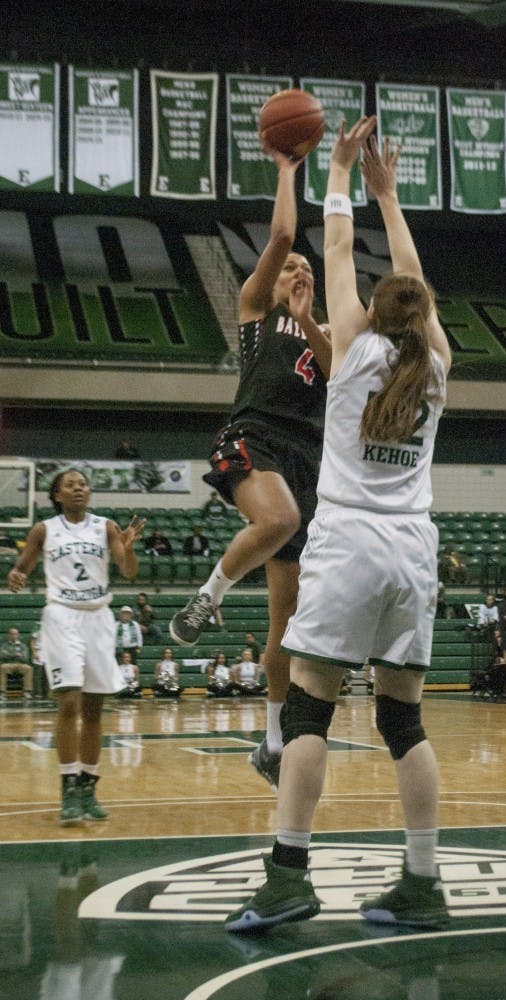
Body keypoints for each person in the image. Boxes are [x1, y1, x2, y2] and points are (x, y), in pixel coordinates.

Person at [225, 117, 452, 934]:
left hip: (349, 541)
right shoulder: (438, 367)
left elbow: (331, 244)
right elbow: (412, 278)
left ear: (373, 315)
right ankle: (422, 883)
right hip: (413, 547)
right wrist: (394, 202)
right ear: (425, 321)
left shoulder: (351, 348)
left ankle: (288, 875)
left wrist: (346, 175)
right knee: (404, 721)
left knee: (312, 713)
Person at [168, 133, 331, 792]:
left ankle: (270, 740)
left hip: (305, 454)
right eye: (294, 272)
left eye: (308, 275)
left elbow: (340, 368)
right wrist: (289, 170)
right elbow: (282, 239)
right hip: (253, 434)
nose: (298, 275)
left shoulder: (319, 331)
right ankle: (205, 598)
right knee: (279, 519)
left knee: (286, 624)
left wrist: (313, 317)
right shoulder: (255, 311)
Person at [6, 467, 145, 825]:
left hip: (98, 617)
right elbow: (22, 567)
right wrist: (17, 574)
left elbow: (128, 571)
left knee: (95, 710)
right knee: (69, 702)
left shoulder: (106, 527)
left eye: (83, 484)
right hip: (62, 616)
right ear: (57, 495)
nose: (79, 489)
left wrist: (128, 551)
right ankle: (67, 788)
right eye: (71, 485)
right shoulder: (44, 530)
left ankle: (88, 787)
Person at [0, 625, 33, 700]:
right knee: (2, 667)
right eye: (12, 634)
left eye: (15, 634)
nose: (13, 636)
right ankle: (2, 692)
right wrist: (16, 654)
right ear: (9, 635)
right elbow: (2, 655)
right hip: (8, 664)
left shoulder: (23, 646)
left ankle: (27, 692)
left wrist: (9, 654)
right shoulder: (4, 645)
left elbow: (25, 658)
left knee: (28, 668)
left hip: (20, 664)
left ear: (18, 635)